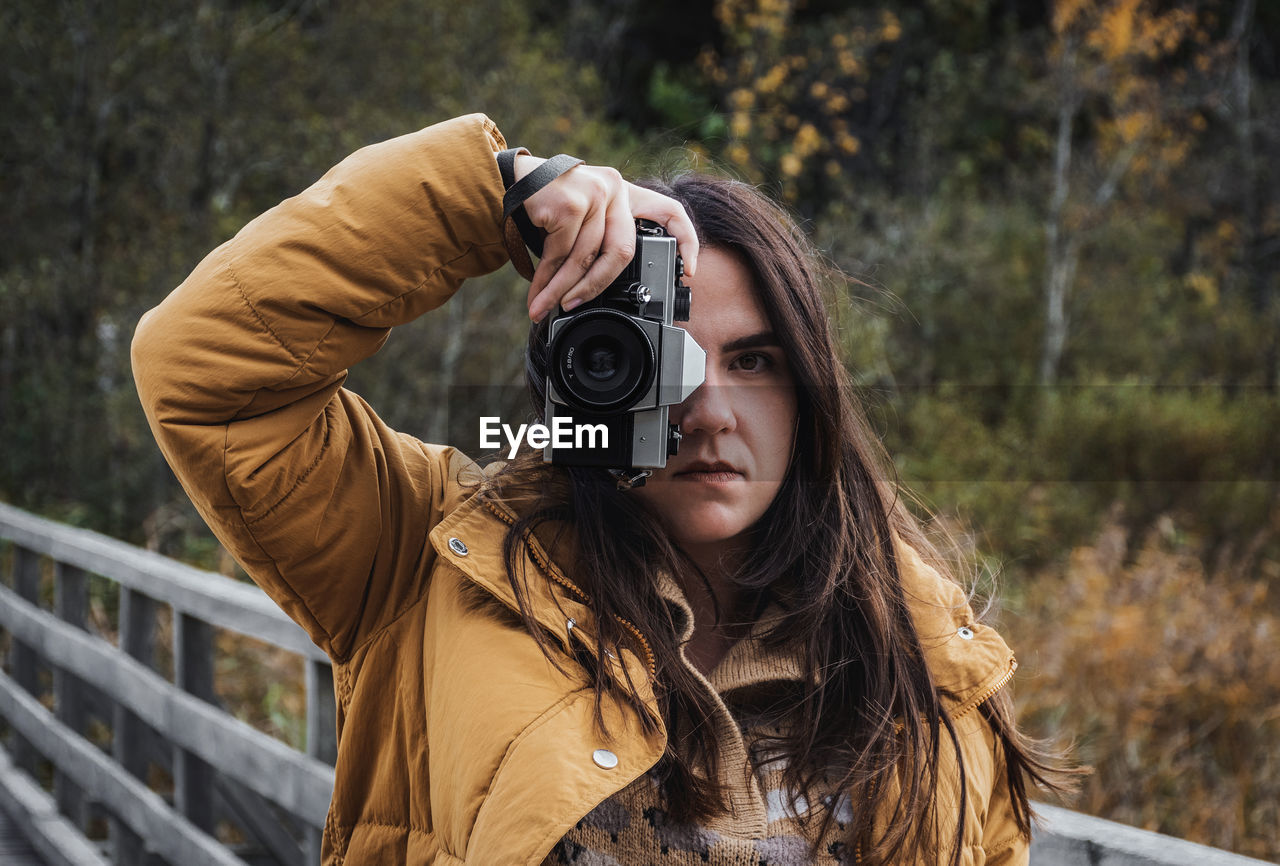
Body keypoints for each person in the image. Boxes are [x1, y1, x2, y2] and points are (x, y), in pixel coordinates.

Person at [133, 113, 1068, 865]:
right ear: (586, 375)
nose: (707, 410)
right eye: (660, 360)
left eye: (755, 360)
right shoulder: (430, 557)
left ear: (813, 388)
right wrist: (488, 196)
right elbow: (205, 370)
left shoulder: (924, 655)